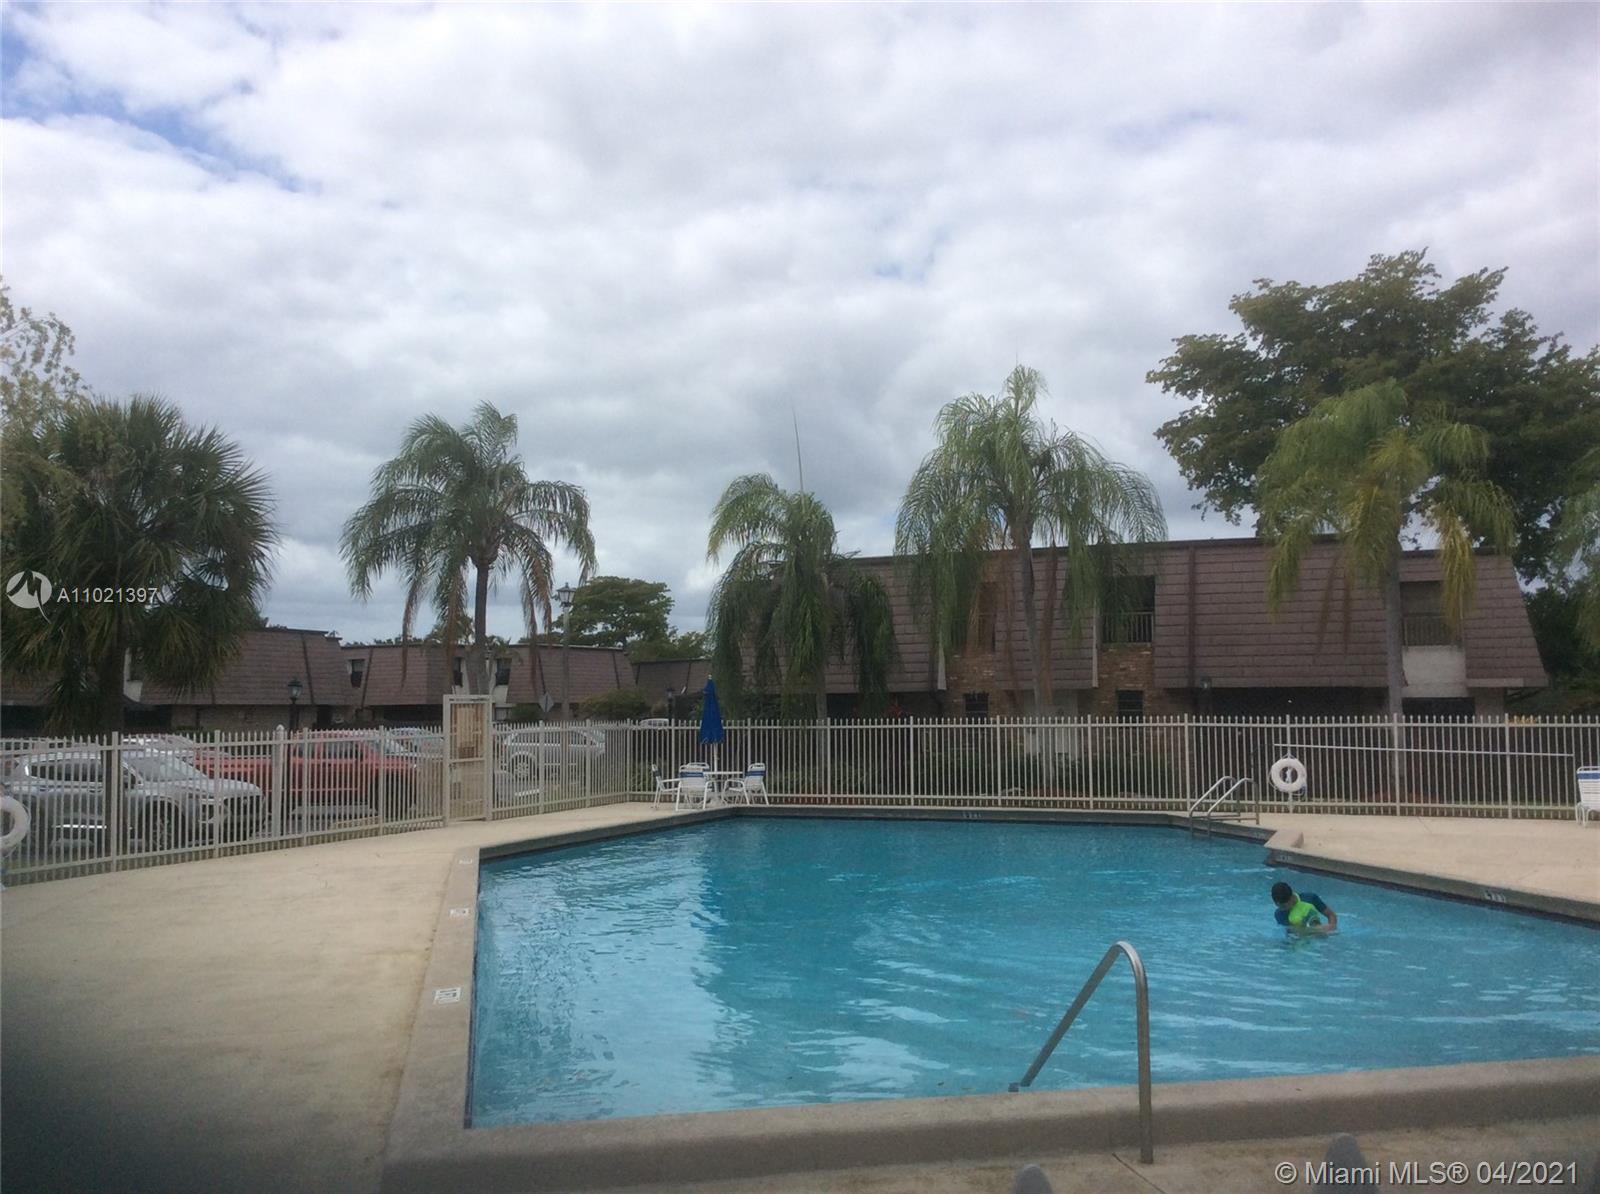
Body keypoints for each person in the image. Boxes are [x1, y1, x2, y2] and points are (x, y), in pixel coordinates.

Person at [1272, 880, 1338, 935]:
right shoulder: (1279, 914)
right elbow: (1294, 932)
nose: (1282, 909)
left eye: (1284, 906)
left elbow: (1331, 915)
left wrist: (1332, 927)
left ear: (1292, 897)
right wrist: (1318, 929)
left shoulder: (1310, 898)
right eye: (1278, 906)